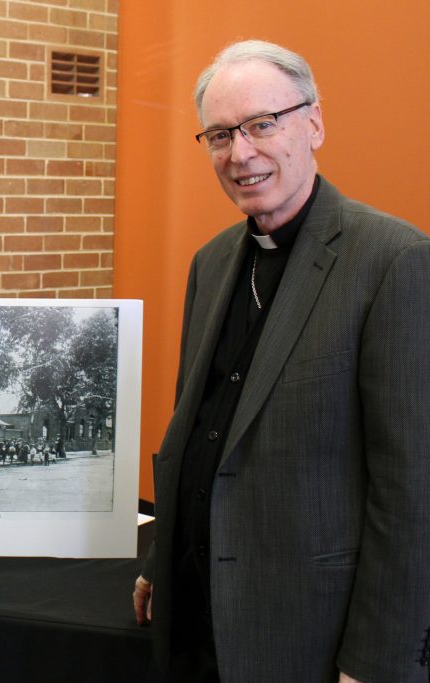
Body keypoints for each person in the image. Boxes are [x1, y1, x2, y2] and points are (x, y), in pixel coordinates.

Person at [133, 40, 430, 683]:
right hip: (196, 617)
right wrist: (162, 562)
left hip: (303, 633)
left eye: (262, 124)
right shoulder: (210, 263)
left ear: (314, 123)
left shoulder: (392, 260)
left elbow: (411, 492)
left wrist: (378, 661)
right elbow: (197, 429)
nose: (240, 153)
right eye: (219, 135)